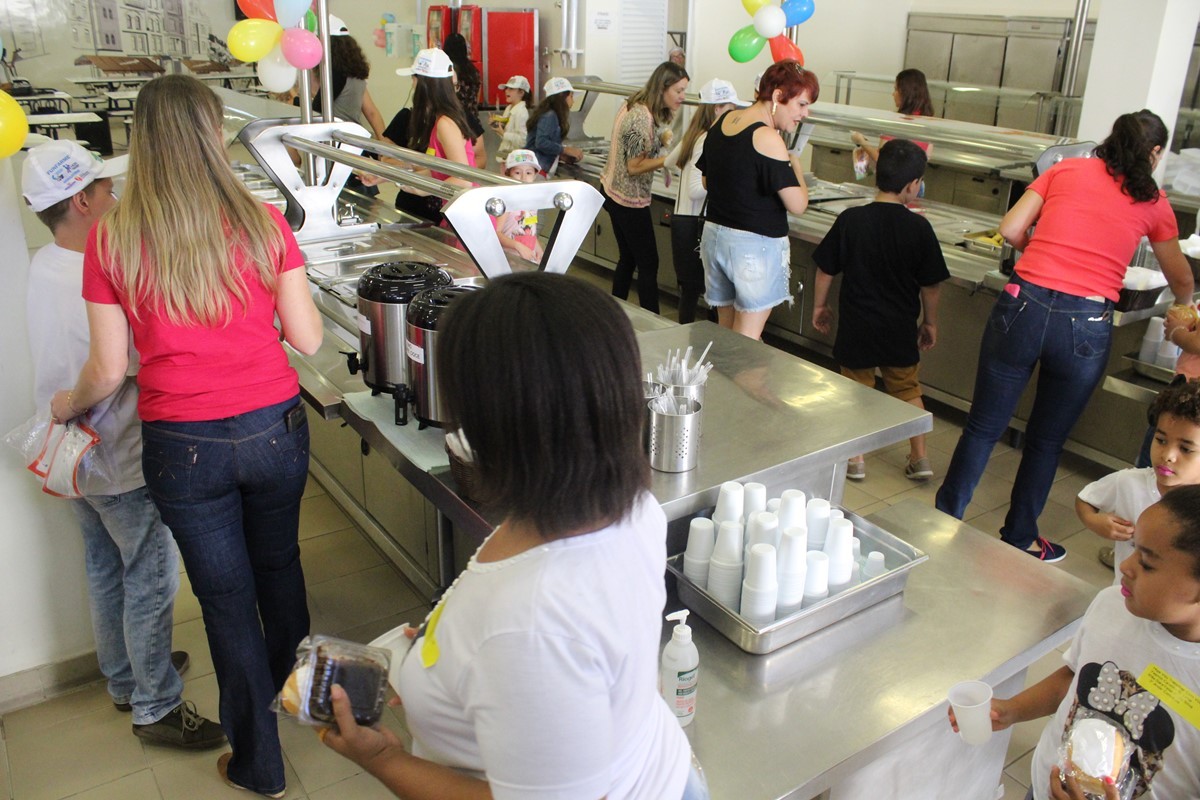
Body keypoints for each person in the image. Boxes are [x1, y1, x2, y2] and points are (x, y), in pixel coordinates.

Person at [319, 273, 704, 799]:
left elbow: (537, 640)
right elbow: (620, 672)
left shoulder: (529, 626)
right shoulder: (629, 507)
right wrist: (452, 657)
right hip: (663, 771)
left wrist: (383, 758)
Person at [49, 75, 324, 798]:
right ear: (212, 134)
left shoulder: (113, 237)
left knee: (225, 599)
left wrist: (67, 404)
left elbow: (108, 369)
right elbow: (307, 338)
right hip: (275, 428)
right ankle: (299, 698)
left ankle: (258, 762)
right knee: (281, 566)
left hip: (183, 445)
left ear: (141, 141)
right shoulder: (264, 221)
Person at [21, 141, 224, 750]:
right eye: (107, 190)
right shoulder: (90, 276)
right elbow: (115, 368)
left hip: (73, 455)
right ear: (81, 201)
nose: (116, 198)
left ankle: (124, 677)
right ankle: (156, 705)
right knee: (150, 574)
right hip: (115, 452)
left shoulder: (45, 262)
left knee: (105, 563)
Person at [935, 109, 1194, 563]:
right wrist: (1185, 308)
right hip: (1086, 323)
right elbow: (1180, 277)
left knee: (983, 425)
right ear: (1154, 152)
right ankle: (1020, 536)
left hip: (1023, 303)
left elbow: (1010, 229)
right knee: (1045, 440)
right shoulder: (1152, 201)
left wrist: (1040, 252)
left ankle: (942, 521)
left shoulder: (1067, 169)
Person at [950, 486, 1200, 800]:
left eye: (1147, 564)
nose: (1125, 566)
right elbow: (1075, 678)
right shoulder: (1112, 604)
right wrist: (1012, 710)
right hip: (1047, 787)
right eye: (1134, 548)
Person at [811, 138, 949, 482]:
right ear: (911, 185)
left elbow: (825, 269)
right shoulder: (919, 227)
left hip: (857, 327)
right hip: (898, 329)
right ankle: (920, 457)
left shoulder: (852, 220)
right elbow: (931, 285)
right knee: (907, 390)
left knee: (854, 391)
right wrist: (930, 322)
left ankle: (855, 460)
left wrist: (819, 305)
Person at [696, 59, 816, 339]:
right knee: (745, 343)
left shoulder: (724, 121)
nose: (805, 113)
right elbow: (798, 204)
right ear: (777, 96)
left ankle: (718, 371)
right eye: (801, 104)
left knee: (726, 336)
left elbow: (706, 181)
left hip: (716, 239)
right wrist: (795, 165)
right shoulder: (767, 137)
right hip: (753, 249)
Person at [1077, 379, 1200, 583]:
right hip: (1124, 595)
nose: (1167, 455)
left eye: (1186, 449)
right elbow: (1085, 499)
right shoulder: (1129, 482)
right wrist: (1093, 521)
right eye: (1161, 440)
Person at [600, 61, 690, 314]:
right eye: (678, 91)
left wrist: (660, 139)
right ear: (662, 88)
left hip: (612, 191)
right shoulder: (640, 118)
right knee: (649, 263)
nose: (682, 97)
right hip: (627, 199)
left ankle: (613, 312)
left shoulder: (635, 103)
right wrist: (667, 160)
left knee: (628, 258)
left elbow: (635, 148)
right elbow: (633, 165)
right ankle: (652, 321)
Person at [662, 78, 748, 323]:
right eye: (730, 109)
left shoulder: (694, 134)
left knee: (690, 291)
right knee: (704, 292)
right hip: (695, 225)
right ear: (717, 108)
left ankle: (688, 337)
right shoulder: (708, 139)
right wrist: (724, 178)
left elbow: (668, 162)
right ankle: (702, 339)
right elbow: (694, 190)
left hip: (683, 221)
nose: (734, 115)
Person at [381, 49, 478, 224]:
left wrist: (423, 189)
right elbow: (439, 171)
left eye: (413, 79)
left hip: (466, 215)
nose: (412, 85)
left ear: (423, 83)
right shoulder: (440, 120)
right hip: (455, 211)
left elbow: (464, 180)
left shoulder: (445, 123)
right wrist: (404, 179)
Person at [308, 15, 391, 197]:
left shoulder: (335, 76)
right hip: (355, 144)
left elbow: (316, 110)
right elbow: (371, 112)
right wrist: (383, 142)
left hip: (337, 145)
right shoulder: (356, 75)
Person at [849, 68, 934, 167]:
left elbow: (881, 159)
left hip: (891, 176)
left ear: (906, 93)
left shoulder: (896, 123)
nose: (893, 94)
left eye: (896, 89)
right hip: (915, 176)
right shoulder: (929, 121)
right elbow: (927, 156)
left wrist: (861, 142)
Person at [442, 33, 487, 166]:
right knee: (473, 158)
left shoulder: (449, 71)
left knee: (455, 159)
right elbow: (477, 97)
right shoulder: (473, 71)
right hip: (473, 121)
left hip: (455, 118)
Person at [491, 149, 543, 263]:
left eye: (528, 173)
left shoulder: (532, 202)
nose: (524, 178)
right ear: (508, 174)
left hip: (527, 257)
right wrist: (517, 246)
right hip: (508, 257)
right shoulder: (507, 201)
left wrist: (538, 248)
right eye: (518, 173)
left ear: (535, 175)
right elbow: (496, 233)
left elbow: (529, 226)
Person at [525, 76, 583, 176]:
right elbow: (541, 142)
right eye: (571, 96)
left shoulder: (548, 114)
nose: (573, 101)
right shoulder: (550, 115)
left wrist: (560, 155)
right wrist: (565, 150)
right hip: (536, 169)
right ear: (562, 96)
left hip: (535, 168)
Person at [490, 74, 531, 165]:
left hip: (516, 161)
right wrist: (496, 126)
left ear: (521, 93)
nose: (506, 91)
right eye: (506, 88)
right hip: (505, 158)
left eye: (511, 89)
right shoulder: (508, 108)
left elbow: (523, 141)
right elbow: (506, 135)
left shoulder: (522, 112)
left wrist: (503, 133)